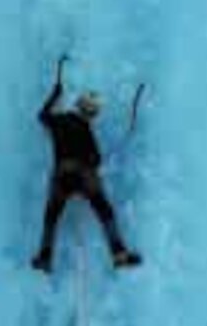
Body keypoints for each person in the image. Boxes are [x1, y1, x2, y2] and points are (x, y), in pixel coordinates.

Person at [31, 55, 142, 274]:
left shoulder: (60, 120)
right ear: (91, 113)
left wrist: (55, 94)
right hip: (83, 174)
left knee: (51, 215)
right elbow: (96, 159)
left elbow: (41, 116)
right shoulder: (87, 131)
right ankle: (119, 254)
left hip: (61, 175)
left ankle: (45, 257)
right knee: (104, 211)